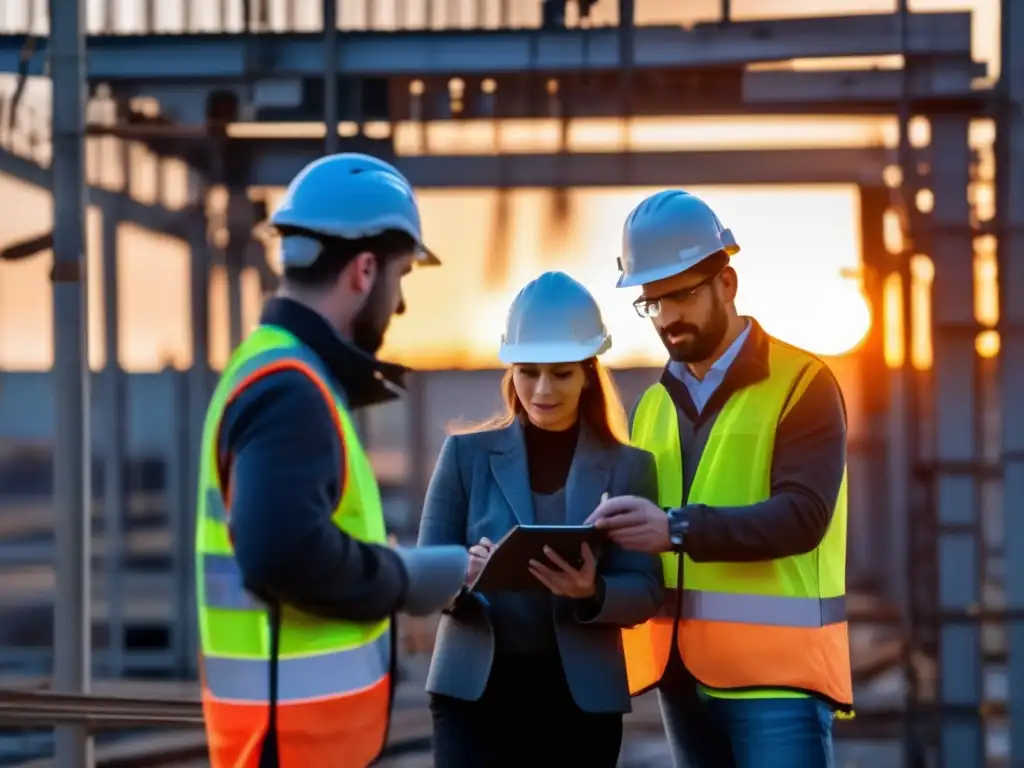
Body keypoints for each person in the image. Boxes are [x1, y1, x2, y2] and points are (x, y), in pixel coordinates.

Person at [194, 153, 470, 768]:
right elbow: (284, 554)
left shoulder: (273, 367)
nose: (398, 304)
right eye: (400, 276)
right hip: (292, 746)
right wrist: (406, 579)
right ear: (365, 270)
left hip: (283, 740)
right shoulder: (291, 389)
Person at [585, 190, 852, 768]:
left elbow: (802, 517)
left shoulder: (804, 384)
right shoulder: (654, 404)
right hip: (681, 676)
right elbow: (644, 539)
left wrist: (674, 529)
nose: (667, 317)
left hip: (777, 680)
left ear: (726, 283)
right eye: (652, 302)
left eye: (681, 295)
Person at [417, 271, 664, 767]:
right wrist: (460, 574)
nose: (542, 389)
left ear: (588, 373)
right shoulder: (465, 456)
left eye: (561, 373)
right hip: (474, 694)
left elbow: (647, 591)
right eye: (528, 372)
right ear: (511, 373)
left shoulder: (629, 467)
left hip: (578, 701)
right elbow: (424, 577)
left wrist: (592, 592)